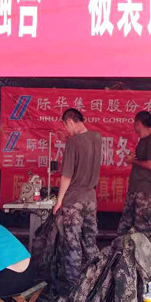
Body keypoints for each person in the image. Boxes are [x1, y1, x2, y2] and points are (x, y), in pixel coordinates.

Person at [52, 108, 102, 286]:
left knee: (72, 245)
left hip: (74, 200)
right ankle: (96, 282)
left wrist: (59, 200)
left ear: (70, 121)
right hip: (91, 199)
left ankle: (73, 287)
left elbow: (67, 175)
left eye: (66, 126)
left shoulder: (73, 142)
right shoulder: (97, 138)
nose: (66, 130)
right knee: (90, 243)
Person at [116, 110, 151, 240]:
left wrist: (133, 161)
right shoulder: (142, 141)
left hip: (145, 190)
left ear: (139, 123)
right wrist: (133, 159)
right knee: (125, 223)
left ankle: (144, 252)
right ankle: (122, 249)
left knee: (142, 226)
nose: (133, 126)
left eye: (134, 123)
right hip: (135, 188)